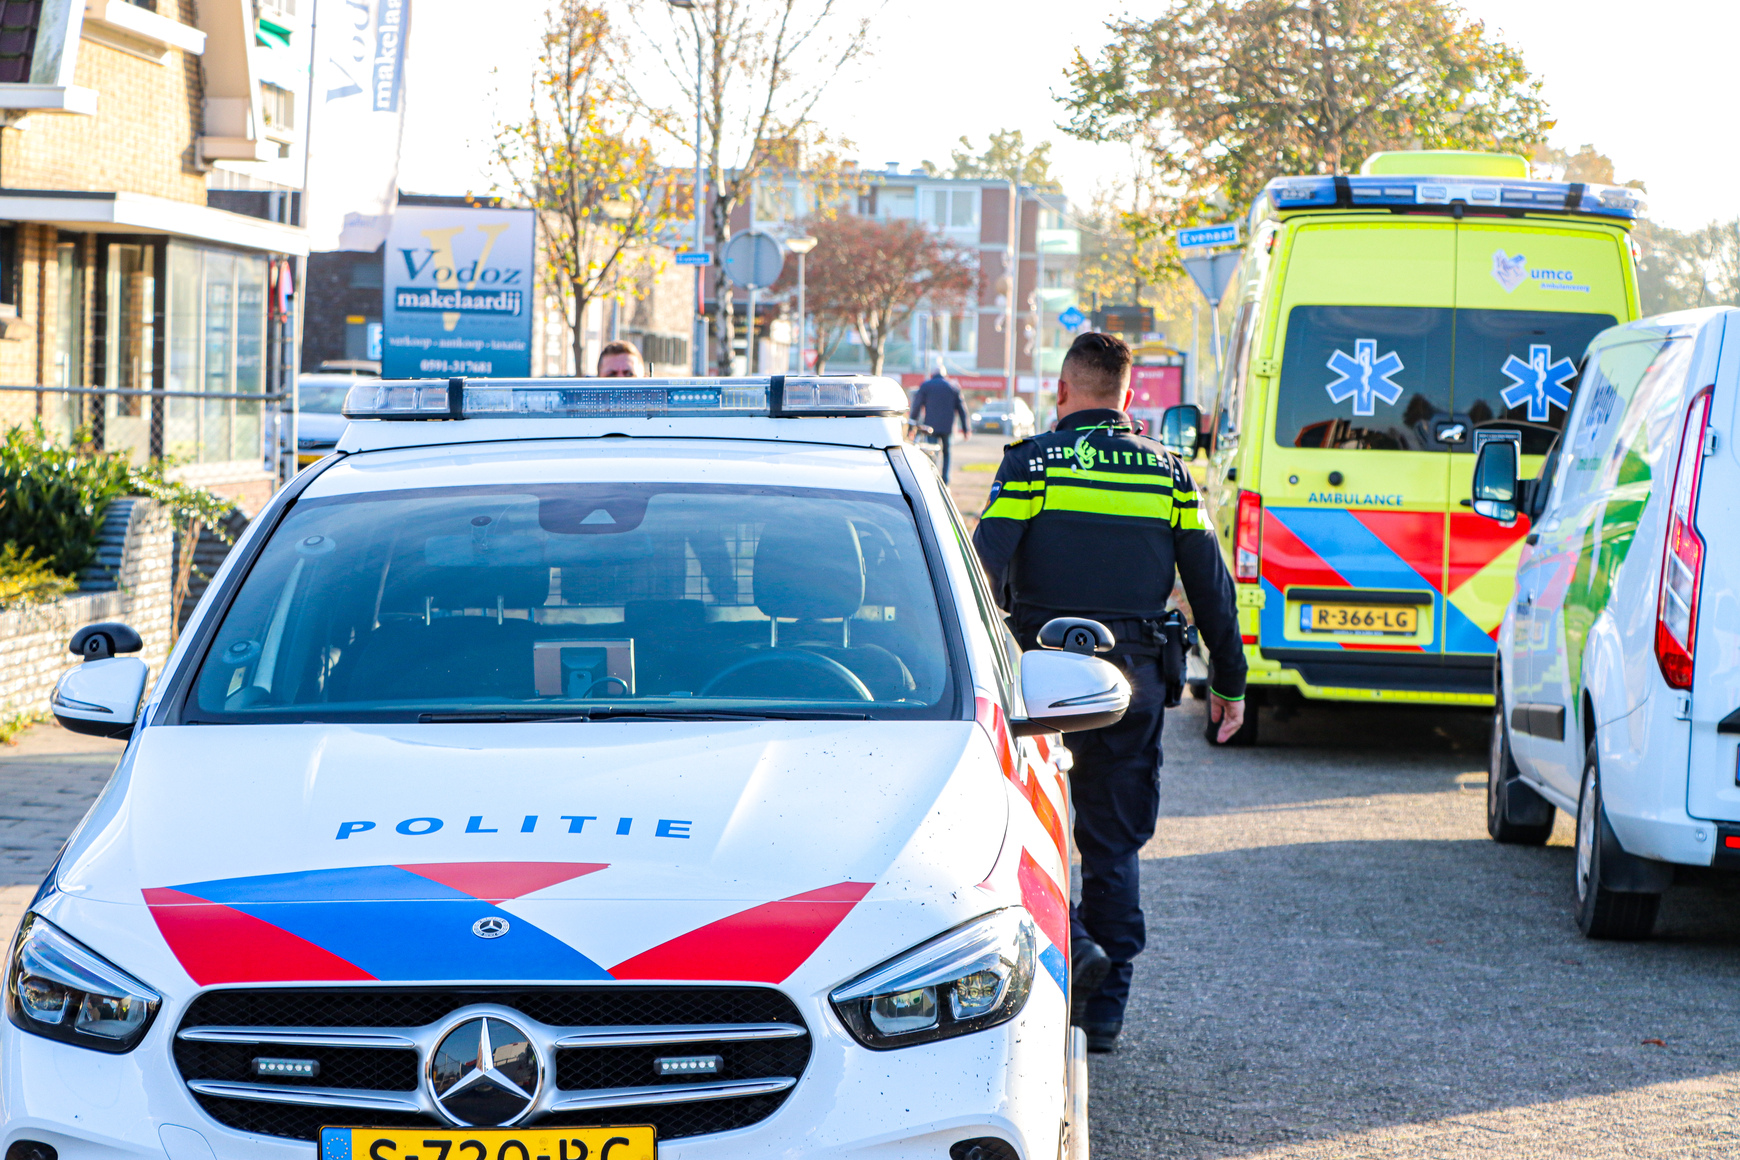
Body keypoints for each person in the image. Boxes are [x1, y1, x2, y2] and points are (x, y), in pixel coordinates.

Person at [972, 331, 1247, 1055]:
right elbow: (1212, 589)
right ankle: (1105, 1009)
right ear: (1129, 399)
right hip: (1133, 682)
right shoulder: (1171, 474)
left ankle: (1067, 953)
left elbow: (984, 568)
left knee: (1021, 829)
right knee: (1114, 839)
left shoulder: (1031, 464)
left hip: (1035, 682)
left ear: (1063, 393)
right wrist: (1229, 680)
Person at [908, 365, 970, 481]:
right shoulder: (953, 386)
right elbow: (962, 409)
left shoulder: (926, 386)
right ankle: (945, 480)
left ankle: (933, 478)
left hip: (930, 426)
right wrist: (966, 429)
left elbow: (916, 406)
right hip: (948, 426)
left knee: (932, 452)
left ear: (933, 374)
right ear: (945, 374)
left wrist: (911, 426)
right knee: (947, 452)